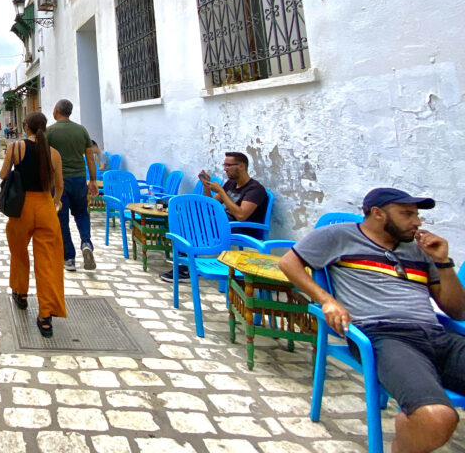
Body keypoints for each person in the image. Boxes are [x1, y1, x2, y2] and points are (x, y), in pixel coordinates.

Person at [278, 188, 465, 453]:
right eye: (407, 214)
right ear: (377, 213)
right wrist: (327, 300)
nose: (417, 222)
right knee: (436, 417)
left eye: (417, 215)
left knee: (432, 418)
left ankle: (415, 425)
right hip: (384, 337)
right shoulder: (339, 235)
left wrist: (443, 262)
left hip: (438, 335)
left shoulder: (420, 250)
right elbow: (288, 263)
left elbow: (457, 312)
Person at [0, 111, 66, 338]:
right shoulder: (54, 154)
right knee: (47, 261)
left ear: (26, 127)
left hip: (21, 209)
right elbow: (59, 185)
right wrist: (55, 203)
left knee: (19, 252)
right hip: (46, 208)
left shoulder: (15, 148)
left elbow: (2, 174)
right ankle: (46, 315)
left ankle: (21, 293)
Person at [160, 150, 270, 282]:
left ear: (241, 166)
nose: (225, 169)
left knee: (195, 224)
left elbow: (241, 215)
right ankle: (185, 261)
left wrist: (222, 192)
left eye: (228, 166)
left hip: (242, 228)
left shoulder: (254, 189)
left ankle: (187, 268)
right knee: (187, 218)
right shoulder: (231, 184)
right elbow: (211, 204)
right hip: (224, 224)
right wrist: (206, 186)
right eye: (224, 165)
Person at [46, 99, 99, 272]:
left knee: (62, 220)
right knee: (82, 214)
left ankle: (69, 258)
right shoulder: (81, 130)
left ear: (56, 110)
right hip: (78, 178)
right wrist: (92, 180)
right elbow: (90, 157)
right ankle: (86, 242)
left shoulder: (50, 132)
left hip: (59, 181)